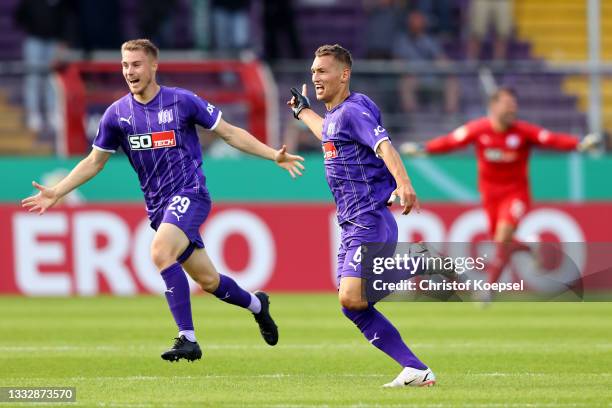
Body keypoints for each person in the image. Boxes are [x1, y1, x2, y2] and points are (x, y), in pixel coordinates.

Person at [21, 39, 305, 362]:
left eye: (137, 64)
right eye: (125, 65)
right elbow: (94, 162)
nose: (130, 71)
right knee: (209, 280)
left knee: (159, 250)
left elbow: (229, 132)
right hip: (159, 208)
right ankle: (257, 305)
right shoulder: (117, 115)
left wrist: (273, 156)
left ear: (153, 66)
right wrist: (58, 191)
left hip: (190, 194)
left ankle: (188, 338)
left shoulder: (181, 102)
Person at [287, 44, 436, 388]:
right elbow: (328, 134)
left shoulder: (354, 110)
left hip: (369, 218)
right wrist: (303, 112)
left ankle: (420, 262)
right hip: (351, 223)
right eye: (313, 71)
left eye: (323, 71)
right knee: (351, 305)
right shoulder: (340, 117)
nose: (316, 77)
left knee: (351, 296)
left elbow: (384, 145)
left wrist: (404, 182)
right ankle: (415, 368)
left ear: (344, 74)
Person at [400, 87, 599, 294]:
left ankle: (488, 289)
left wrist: (580, 144)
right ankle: (529, 247)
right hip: (490, 195)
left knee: (503, 236)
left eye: (514, 105)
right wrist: (425, 148)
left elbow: (551, 139)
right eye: (508, 105)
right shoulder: (479, 129)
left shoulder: (522, 131)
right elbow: (451, 141)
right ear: (493, 107)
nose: (513, 109)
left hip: (515, 194)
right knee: (500, 242)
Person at [392, 10, 458, 113]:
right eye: (413, 21)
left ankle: (450, 116)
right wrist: (406, 70)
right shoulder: (402, 40)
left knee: (451, 82)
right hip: (412, 77)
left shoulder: (430, 40)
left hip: (431, 76)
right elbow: (397, 63)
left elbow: (441, 59)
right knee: (406, 83)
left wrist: (446, 67)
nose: (416, 24)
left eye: (419, 21)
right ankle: (411, 119)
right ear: (409, 23)